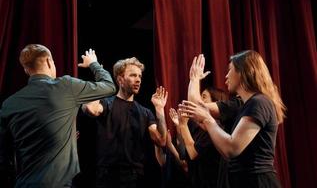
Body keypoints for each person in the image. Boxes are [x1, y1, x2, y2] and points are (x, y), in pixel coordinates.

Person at [0, 44, 116, 187]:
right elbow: (109, 86)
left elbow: (4, 155)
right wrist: (94, 64)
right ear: (49, 61)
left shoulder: (9, 104)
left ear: (26, 69)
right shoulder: (66, 86)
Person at [180, 51, 286, 188]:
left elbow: (231, 148)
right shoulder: (242, 105)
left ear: (243, 72)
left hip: (257, 181)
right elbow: (196, 109)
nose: (226, 75)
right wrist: (194, 79)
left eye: (230, 70)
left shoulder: (259, 102)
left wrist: (208, 120)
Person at [82, 57, 168, 188]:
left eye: (139, 76)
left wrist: (160, 110)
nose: (138, 79)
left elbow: (161, 140)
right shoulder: (107, 104)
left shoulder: (145, 112)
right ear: (120, 80)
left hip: (135, 177)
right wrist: (99, 77)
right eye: (133, 75)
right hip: (107, 177)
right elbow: (90, 108)